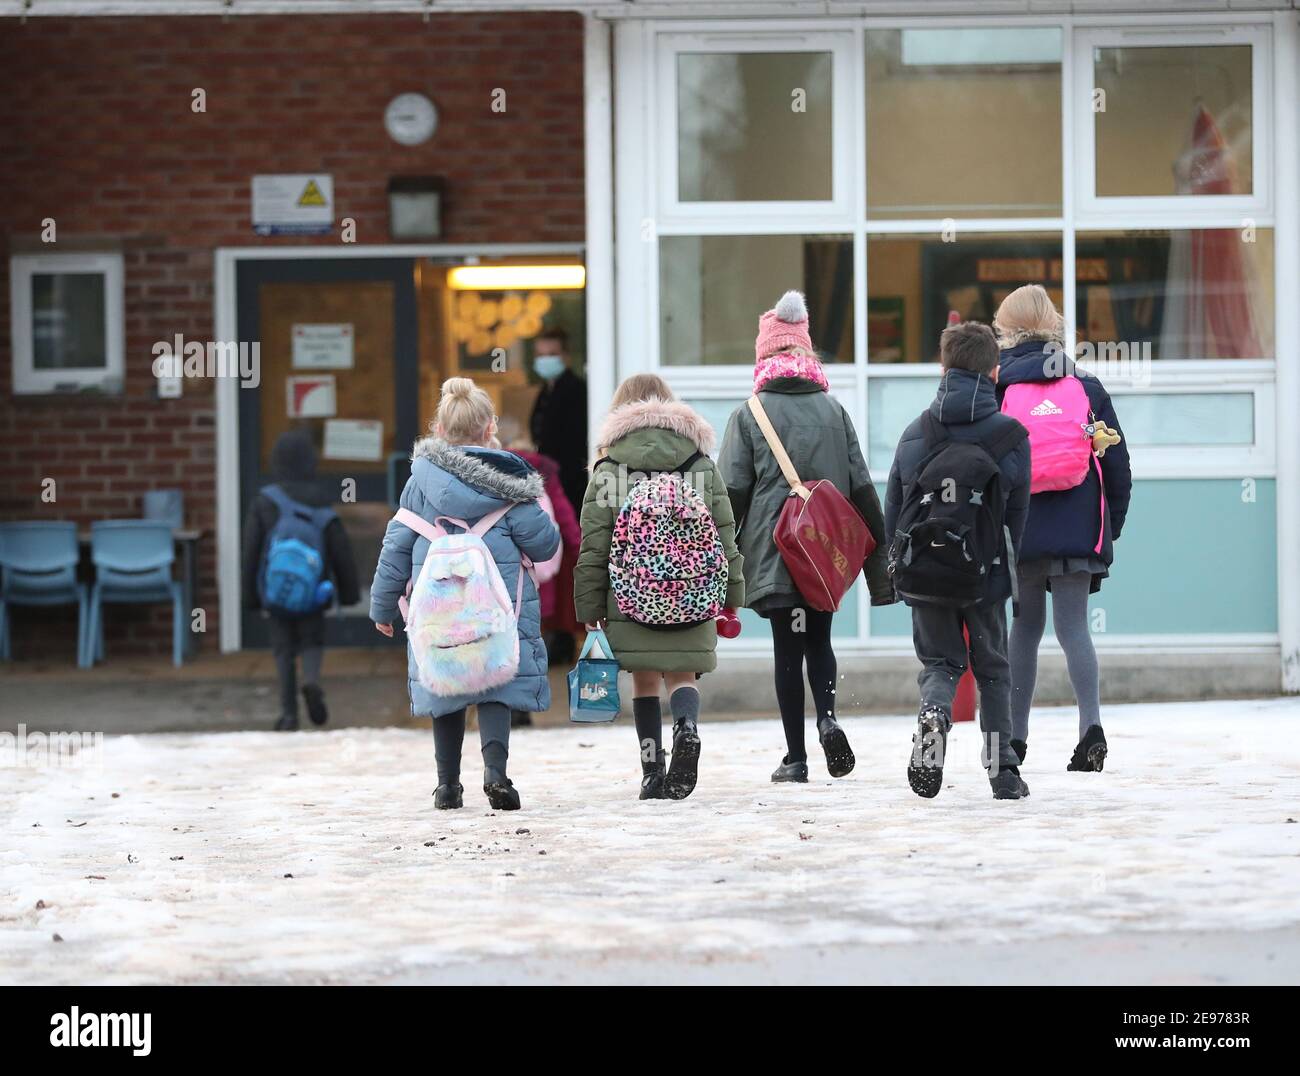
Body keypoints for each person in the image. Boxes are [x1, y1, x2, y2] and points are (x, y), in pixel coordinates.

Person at [718, 291, 893, 784]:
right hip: (824, 556)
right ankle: (829, 718)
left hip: (778, 554)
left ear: (765, 355)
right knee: (819, 640)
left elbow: (730, 492)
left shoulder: (749, 414)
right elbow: (861, 489)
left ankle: (795, 757)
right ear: (806, 353)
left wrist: (720, 563)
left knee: (786, 649)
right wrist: (880, 572)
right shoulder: (835, 411)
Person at [370, 378, 559, 811]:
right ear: (490, 426)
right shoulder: (513, 484)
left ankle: (447, 785)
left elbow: (396, 546)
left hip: (439, 613)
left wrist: (383, 606)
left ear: (438, 428)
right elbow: (545, 546)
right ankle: (496, 774)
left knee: (446, 682)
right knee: (495, 683)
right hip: (499, 610)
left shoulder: (419, 485)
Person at [574, 374, 744, 801]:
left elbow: (593, 545)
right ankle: (687, 727)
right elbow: (725, 538)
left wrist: (589, 604)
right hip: (694, 593)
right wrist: (731, 597)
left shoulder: (609, 471)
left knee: (645, 681)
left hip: (630, 597)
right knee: (683, 673)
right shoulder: (701, 466)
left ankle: (653, 771)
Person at [884, 321, 1032, 800]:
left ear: (943, 367)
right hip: (983, 575)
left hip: (926, 571)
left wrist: (897, 568)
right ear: (994, 370)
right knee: (992, 668)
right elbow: (1017, 516)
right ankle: (1002, 769)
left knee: (940, 665)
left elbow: (894, 507)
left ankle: (934, 714)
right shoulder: (1011, 435)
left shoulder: (916, 432)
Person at [993, 285, 1132, 772]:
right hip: (1077, 525)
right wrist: (1109, 522)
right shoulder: (1086, 383)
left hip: (1021, 528)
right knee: (1074, 629)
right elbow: (1117, 465)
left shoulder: (998, 385)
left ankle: (1013, 741)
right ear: (1053, 324)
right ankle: (1091, 729)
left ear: (1005, 329)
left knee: (1024, 629)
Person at [241, 429, 360, 731]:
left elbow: (251, 551)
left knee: (282, 649)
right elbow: (339, 548)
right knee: (311, 641)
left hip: (276, 594)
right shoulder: (320, 501)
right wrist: (348, 593)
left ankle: (289, 713)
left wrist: (250, 596)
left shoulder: (265, 501)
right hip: (313, 591)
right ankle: (311, 681)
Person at [494, 417, 583, 727]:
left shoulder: (490, 472)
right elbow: (563, 514)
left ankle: (506, 700)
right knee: (533, 638)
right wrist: (580, 547)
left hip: (499, 573)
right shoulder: (543, 471)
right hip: (539, 575)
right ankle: (524, 702)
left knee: (504, 638)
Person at [528, 327, 588, 516]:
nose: (546, 360)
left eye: (552, 354)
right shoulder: (546, 391)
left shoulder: (576, 390)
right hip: (551, 476)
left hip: (570, 479)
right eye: (541, 355)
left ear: (566, 356)